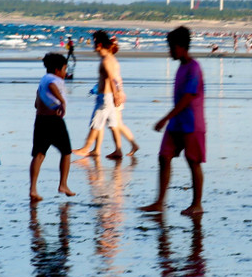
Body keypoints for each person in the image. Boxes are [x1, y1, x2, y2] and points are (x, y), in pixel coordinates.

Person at [140, 27, 205, 216]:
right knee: (164, 157)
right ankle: (159, 202)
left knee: (194, 162)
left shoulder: (194, 67)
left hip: (192, 123)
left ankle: (197, 204)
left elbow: (187, 98)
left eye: (171, 47)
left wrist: (165, 118)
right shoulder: (181, 67)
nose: (170, 51)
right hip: (177, 122)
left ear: (182, 47)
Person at [73, 30, 130, 160]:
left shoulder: (106, 61)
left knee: (96, 123)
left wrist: (116, 94)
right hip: (108, 96)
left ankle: (86, 148)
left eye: (94, 43)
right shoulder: (110, 58)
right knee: (113, 124)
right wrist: (118, 92)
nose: (93, 46)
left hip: (106, 97)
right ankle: (118, 150)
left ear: (99, 44)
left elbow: (111, 77)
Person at [29, 52, 76, 201]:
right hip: (54, 121)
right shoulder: (53, 79)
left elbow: (36, 103)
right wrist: (61, 101)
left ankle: (33, 189)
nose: (65, 72)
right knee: (66, 152)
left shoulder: (43, 80)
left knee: (39, 154)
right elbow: (53, 86)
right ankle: (63, 184)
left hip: (41, 120)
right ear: (57, 70)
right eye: (64, 69)